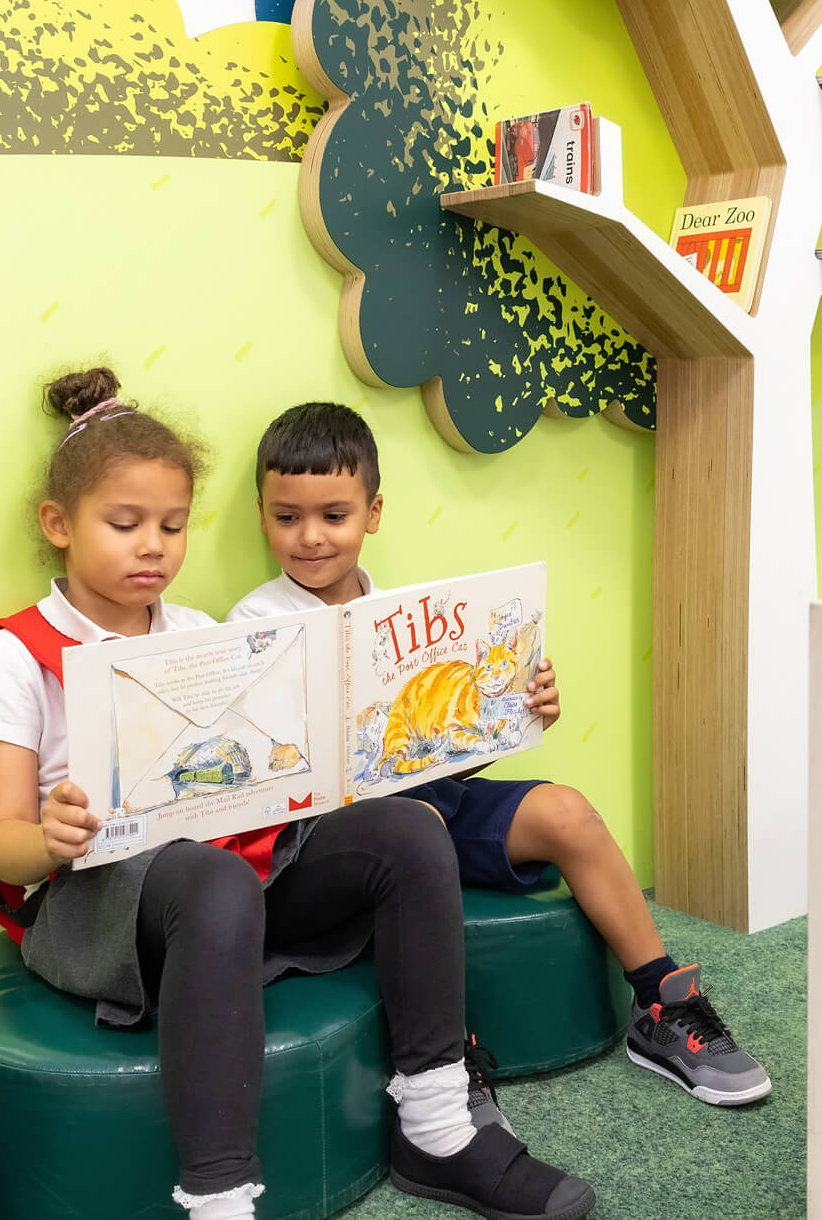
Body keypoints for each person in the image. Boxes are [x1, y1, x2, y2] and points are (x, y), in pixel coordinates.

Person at [0, 369, 597, 1220]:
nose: (154, 546)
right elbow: (0, 842)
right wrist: (52, 833)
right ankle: (221, 1201)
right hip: (97, 900)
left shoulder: (200, 634)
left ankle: (439, 1126)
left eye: (173, 526)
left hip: (228, 874)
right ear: (58, 524)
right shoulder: (19, 652)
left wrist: (474, 721)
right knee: (212, 881)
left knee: (407, 830)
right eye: (125, 524)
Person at [227, 403, 770, 1107]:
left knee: (567, 811)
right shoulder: (253, 622)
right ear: (262, 515)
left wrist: (520, 710)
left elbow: (443, 751)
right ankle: (447, 1055)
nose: (310, 537)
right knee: (413, 823)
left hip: (433, 800)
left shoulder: (403, 615)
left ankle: (665, 1004)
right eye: (286, 516)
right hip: (349, 840)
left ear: (374, 511)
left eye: (334, 514)